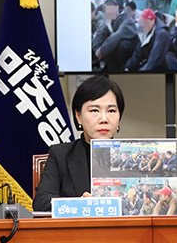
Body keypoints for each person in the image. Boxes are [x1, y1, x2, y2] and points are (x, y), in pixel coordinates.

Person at [33, 76, 125, 211]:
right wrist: (79, 204)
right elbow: (41, 202)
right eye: (94, 110)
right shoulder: (60, 155)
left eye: (111, 111)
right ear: (78, 116)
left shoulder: (129, 154)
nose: (104, 119)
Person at [92, 0, 139, 71]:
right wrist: (97, 48)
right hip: (115, 58)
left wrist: (102, 50)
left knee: (118, 43)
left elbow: (118, 35)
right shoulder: (109, 22)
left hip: (130, 56)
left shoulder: (127, 20)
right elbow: (100, 34)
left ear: (117, 8)